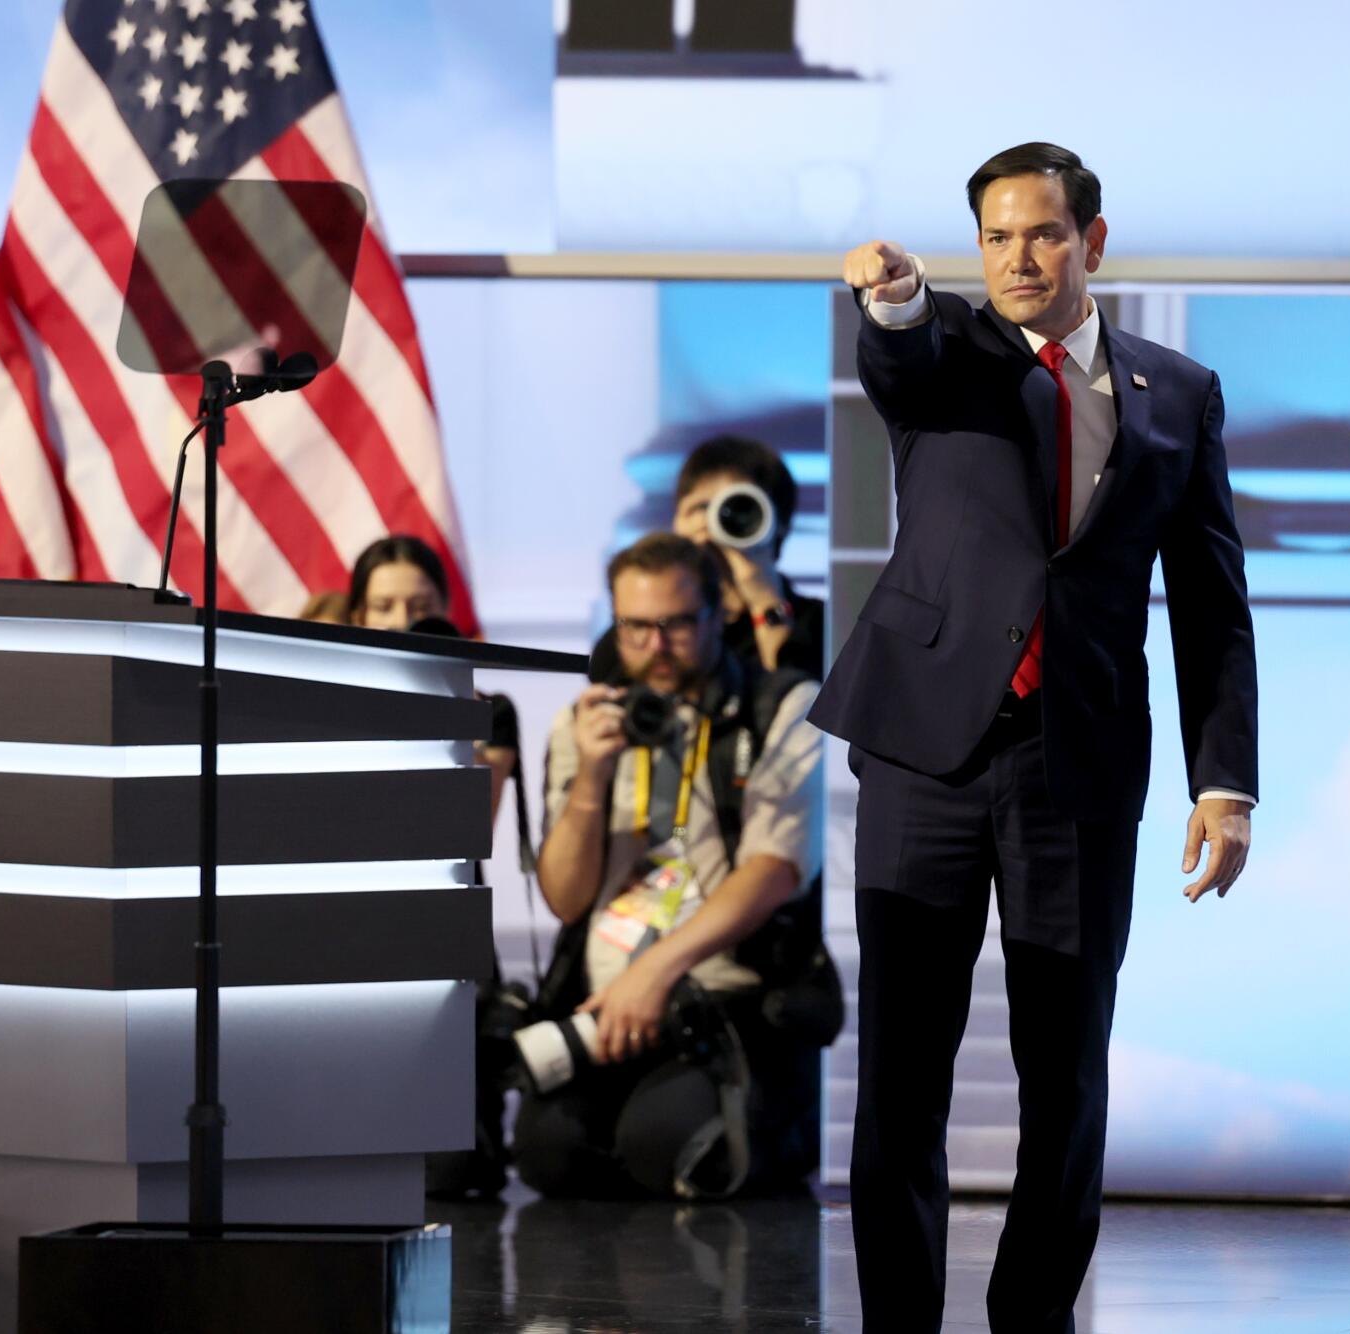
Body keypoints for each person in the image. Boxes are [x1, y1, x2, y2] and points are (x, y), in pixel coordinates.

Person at [813, 143, 1261, 1332]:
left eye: (1042, 233)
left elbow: (1211, 604)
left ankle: (1031, 1319)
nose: (1017, 257)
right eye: (997, 237)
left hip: (1077, 765)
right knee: (902, 1071)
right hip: (924, 752)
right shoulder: (945, 352)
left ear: (1091, 241)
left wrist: (1225, 783)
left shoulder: (1179, 392)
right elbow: (895, 356)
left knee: (1064, 1072)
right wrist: (895, 297)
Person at [515, 532, 829, 1198]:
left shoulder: (780, 708)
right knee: (548, 1156)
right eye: (635, 627)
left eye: (677, 624)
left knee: (664, 1149)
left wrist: (655, 971)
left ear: (719, 616)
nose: (655, 647)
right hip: (608, 1006)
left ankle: (778, 1126)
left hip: (724, 1001)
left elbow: (775, 868)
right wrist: (591, 779)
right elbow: (566, 899)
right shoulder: (587, 722)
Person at [345, 534, 526, 1199]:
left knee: (451, 1175)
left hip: (447, 940)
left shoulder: (486, 711)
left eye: (418, 605)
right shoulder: (331, 706)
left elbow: (468, 832)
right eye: (383, 606)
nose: (401, 622)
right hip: (358, 938)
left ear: (447, 612)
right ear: (357, 617)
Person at [588, 436, 825, 683]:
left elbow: (803, 709)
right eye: (701, 508)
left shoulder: (821, 626)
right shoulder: (645, 633)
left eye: (736, 507)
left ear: (779, 525)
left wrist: (766, 603)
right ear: (676, 521)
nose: (714, 523)